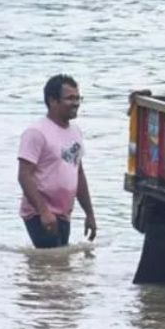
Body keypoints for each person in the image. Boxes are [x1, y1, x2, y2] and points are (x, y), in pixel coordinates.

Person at [17, 75, 97, 249]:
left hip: (63, 214)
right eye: (70, 98)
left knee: (59, 266)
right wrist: (43, 211)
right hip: (39, 214)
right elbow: (24, 175)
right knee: (52, 267)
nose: (76, 103)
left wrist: (89, 214)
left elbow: (79, 174)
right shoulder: (36, 132)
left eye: (78, 98)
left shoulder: (75, 132)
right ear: (52, 100)